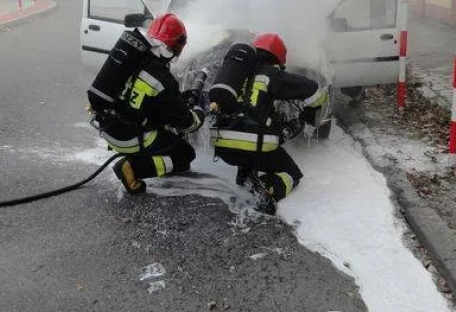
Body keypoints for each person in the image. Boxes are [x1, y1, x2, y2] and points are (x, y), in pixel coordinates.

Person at [211, 33, 328, 213]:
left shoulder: (237, 75)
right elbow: (312, 90)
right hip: (253, 146)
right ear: (278, 59)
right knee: (291, 174)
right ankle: (266, 188)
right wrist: (314, 109)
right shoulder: (271, 75)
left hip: (223, 146)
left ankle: (245, 175)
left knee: (249, 134)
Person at [90, 13, 205, 195]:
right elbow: (186, 124)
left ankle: (139, 157)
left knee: (164, 136)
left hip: (109, 126)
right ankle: (133, 168)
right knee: (184, 154)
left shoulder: (137, 58)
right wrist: (198, 113)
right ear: (176, 45)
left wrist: (180, 98)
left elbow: (145, 98)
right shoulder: (161, 77)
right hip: (129, 138)